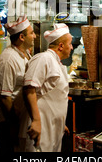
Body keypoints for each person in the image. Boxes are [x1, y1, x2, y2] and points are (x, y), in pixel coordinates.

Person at [22, 23, 72, 152]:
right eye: (70, 44)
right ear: (61, 46)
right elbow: (29, 89)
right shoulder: (43, 58)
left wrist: (60, 122)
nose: (71, 47)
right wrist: (36, 121)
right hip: (42, 128)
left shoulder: (56, 63)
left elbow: (53, 97)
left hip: (54, 127)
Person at [0, 15, 36, 152]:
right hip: (7, 123)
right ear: (22, 37)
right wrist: (14, 127)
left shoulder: (25, 55)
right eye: (32, 33)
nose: (34, 36)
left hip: (20, 123)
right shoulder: (8, 59)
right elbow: (5, 98)